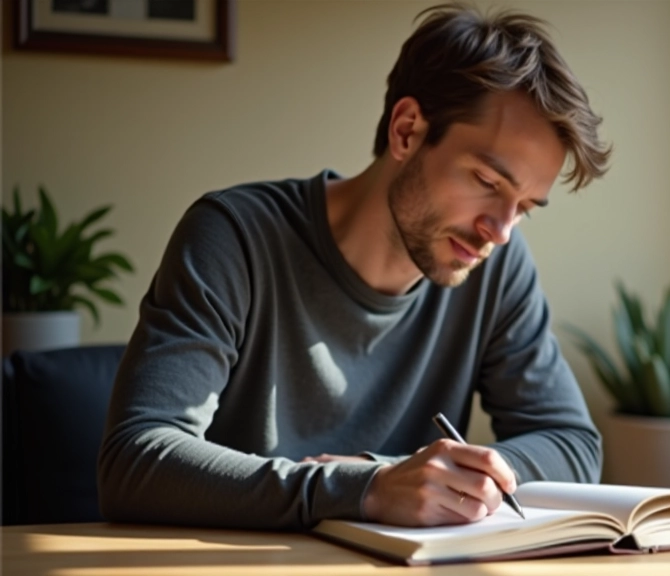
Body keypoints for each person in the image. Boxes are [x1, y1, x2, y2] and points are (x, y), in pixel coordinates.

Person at [97, 2, 611, 530]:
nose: (500, 231)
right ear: (407, 130)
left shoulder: (495, 268)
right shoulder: (233, 236)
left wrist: (400, 476)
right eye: (486, 182)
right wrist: (362, 490)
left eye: (524, 208)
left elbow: (572, 444)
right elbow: (136, 459)